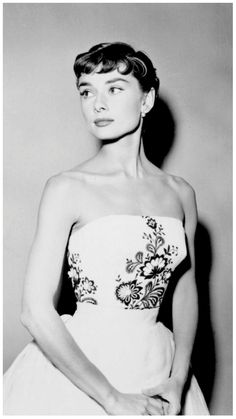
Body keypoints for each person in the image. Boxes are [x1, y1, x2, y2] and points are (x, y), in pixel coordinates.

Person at [3, 42, 209, 415]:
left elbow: (186, 291)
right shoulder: (67, 187)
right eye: (87, 91)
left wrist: (178, 377)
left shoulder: (180, 193)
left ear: (146, 101)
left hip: (156, 363)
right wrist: (111, 398)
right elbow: (34, 310)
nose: (97, 104)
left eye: (114, 88)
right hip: (82, 366)